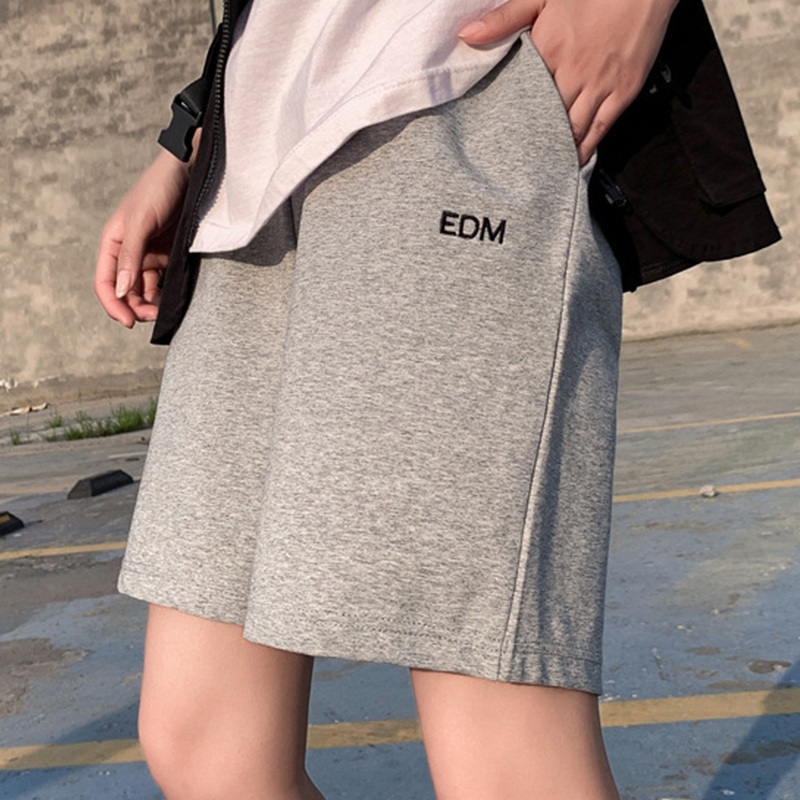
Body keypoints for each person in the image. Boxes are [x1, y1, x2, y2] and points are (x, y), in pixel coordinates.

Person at [95, 1, 681, 798]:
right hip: (257, 149)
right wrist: (190, 132)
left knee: (504, 748)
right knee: (203, 744)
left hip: (460, 94)